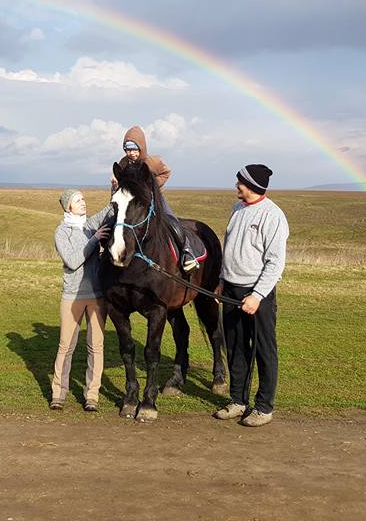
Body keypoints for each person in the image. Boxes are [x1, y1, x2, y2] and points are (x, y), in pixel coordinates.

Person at [213, 164, 289, 427]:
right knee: (235, 348)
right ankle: (237, 400)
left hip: (259, 294)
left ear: (252, 186)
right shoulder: (236, 210)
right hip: (231, 290)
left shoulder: (273, 215)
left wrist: (256, 296)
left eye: (240, 183)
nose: (236, 187)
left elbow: (275, 262)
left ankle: (264, 407)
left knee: (263, 350)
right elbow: (229, 249)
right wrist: (222, 282)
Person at [50, 188, 111, 412]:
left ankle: (92, 395)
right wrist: (94, 240)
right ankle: (58, 393)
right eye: (78, 200)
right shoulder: (61, 232)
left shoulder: (90, 224)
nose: (84, 203)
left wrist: (115, 187)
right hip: (72, 297)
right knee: (66, 346)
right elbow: (73, 260)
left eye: (84, 199)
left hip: (97, 296)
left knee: (96, 347)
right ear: (68, 207)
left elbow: (109, 210)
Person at [112, 125, 200, 272]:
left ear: (142, 148)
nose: (131, 153)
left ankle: (187, 252)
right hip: (133, 200)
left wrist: (152, 187)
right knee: (114, 221)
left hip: (153, 197)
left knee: (172, 220)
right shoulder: (123, 163)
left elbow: (166, 172)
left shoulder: (152, 162)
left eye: (134, 149)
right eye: (127, 150)